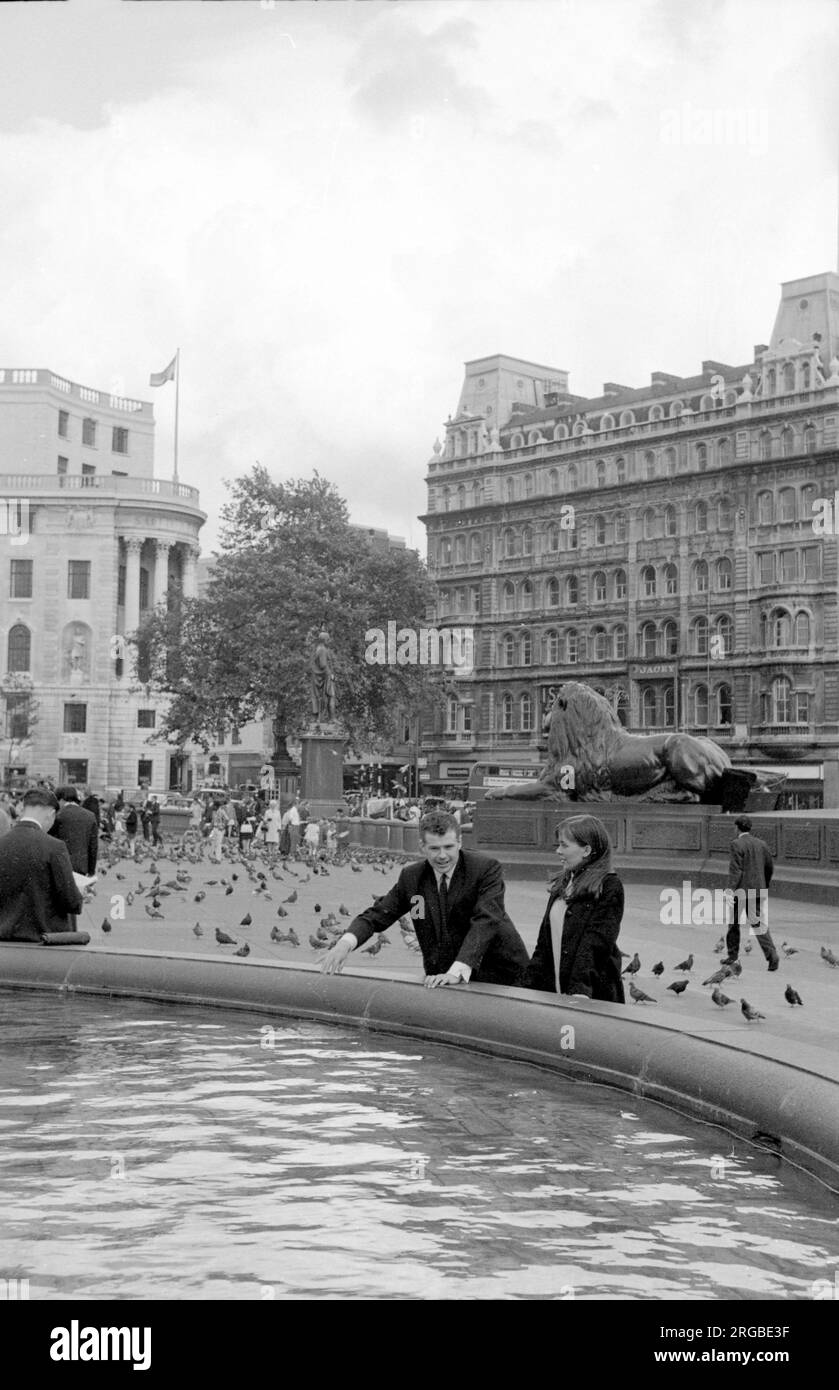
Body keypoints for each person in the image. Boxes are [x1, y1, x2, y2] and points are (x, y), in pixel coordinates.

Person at [321, 809, 529, 988]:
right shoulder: (412, 877)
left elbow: (486, 920)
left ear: (460, 842)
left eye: (448, 847)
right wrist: (344, 944)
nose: (442, 856)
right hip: (443, 975)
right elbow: (377, 915)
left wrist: (457, 971)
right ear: (422, 847)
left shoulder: (485, 869)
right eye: (434, 848)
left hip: (500, 977)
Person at [523, 815, 625, 1003]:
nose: (558, 851)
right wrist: (528, 984)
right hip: (554, 988)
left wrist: (580, 989)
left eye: (564, 845)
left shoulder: (610, 886)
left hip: (591, 995)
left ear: (586, 850)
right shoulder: (564, 881)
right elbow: (544, 942)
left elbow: (596, 943)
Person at [0, 789, 84, 941]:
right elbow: (72, 902)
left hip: (4, 941)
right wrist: (80, 891)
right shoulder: (54, 847)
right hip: (43, 941)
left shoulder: (2, 843)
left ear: (22, 809)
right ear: (51, 815)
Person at [724, 815, 779, 970]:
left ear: (737, 828)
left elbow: (736, 870)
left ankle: (732, 956)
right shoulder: (761, 844)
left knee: (734, 923)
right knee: (758, 923)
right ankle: (772, 955)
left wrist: (730, 890)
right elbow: (769, 867)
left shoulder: (736, 844)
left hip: (741, 891)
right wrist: (764, 885)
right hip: (758, 889)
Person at [49, 785, 98, 877]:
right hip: (81, 865)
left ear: (62, 799)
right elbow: (93, 846)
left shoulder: (58, 815)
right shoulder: (90, 816)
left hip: (60, 865)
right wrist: (91, 871)